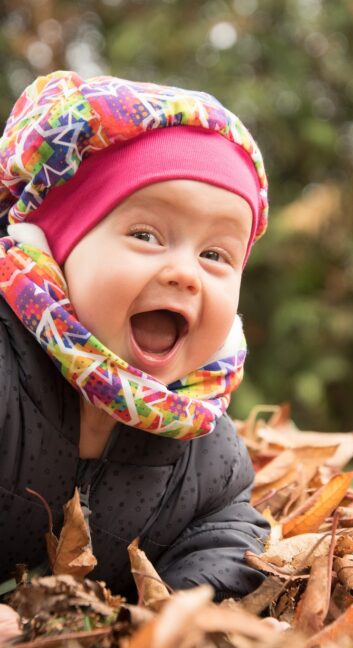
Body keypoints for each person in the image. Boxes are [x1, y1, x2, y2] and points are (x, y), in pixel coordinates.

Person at [0, 71, 270, 601]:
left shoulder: (204, 445)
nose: (186, 273)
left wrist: (177, 612)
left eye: (215, 255)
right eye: (146, 235)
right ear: (55, 248)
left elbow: (224, 534)